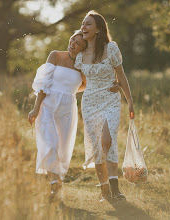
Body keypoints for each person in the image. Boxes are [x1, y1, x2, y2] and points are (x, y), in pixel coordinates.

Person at [28, 31, 120, 202]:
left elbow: (90, 83)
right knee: (50, 144)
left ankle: (57, 185)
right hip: (47, 106)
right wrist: (35, 109)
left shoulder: (82, 64)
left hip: (67, 109)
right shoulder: (55, 56)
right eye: (72, 40)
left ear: (84, 48)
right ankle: (54, 187)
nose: (72, 44)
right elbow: (43, 85)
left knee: (61, 148)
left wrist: (70, 92)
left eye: (78, 43)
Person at [74, 10, 135, 203]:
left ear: (99, 29)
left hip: (111, 100)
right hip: (90, 102)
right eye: (83, 23)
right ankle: (105, 191)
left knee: (108, 140)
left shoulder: (111, 48)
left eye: (88, 24)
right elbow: (80, 83)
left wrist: (130, 101)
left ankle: (116, 189)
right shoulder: (80, 55)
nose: (84, 27)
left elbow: (121, 75)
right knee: (98, 147)